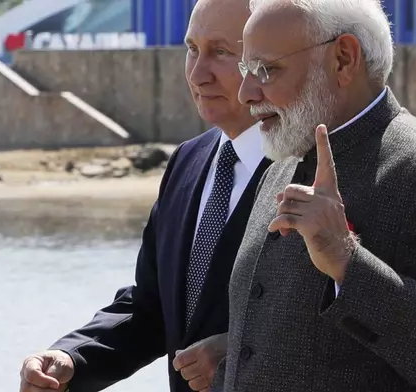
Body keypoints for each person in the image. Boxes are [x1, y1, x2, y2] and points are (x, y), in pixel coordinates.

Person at [212, 0, 416, 391]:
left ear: (343, 58)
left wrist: (346, 261)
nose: (246, 93)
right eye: (245, 70)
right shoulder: (279, 171)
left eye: (266, 70)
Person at [18, 0, 270, 391]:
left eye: (221, 52)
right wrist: (72, 357)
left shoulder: (314, 167)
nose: (198, 74)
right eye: (191, 49)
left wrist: (238, 352)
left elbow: (339, 326)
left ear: (267, 61)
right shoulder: (188, 161)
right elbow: (152, 306)